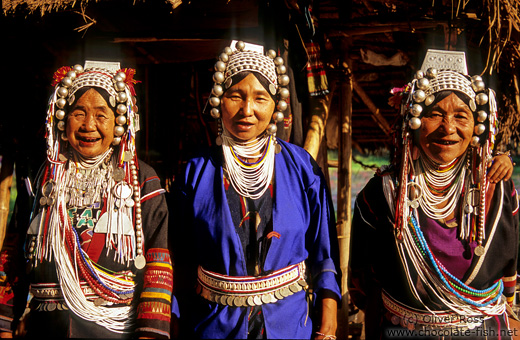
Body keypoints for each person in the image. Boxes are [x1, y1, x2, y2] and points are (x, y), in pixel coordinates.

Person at [170, 41, 341, 339]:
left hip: (290, 325)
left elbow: (324, 251)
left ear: (276, 104)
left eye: (260, 98)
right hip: (213, 325)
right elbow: (178, 258)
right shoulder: (195, 172)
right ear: (218, 100)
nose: (247, 110)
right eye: (236, 96)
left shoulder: (302, 168)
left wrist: (327, 322)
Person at [349, 49, 519, 339]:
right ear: (412, 123)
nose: (449, 128)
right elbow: (366, 281)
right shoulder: (383, 193)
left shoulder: (496, 186)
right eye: (435, 114)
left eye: (461, 116)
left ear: (477, 126)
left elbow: (510, 268)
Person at [0, 62, 174, 338]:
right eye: (78, 113)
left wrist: (150, 333)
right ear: (62, 118)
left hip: (114, 331)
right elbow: (15, 250)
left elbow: (158, 258)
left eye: (101, 115)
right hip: (46, 329)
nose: (88, 125)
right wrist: (4, 321)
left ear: (119, 121)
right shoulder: (43, 176)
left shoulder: (141, 179)